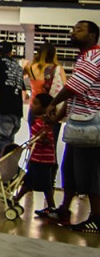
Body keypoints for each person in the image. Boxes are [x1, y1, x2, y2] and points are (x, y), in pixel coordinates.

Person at [41, 20, 100, 232]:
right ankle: (64, 210)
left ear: (93, 35)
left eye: (79, 29)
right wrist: (56, 117)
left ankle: (97, 218)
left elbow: (75, 87)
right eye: (73, 29)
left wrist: (52, 103)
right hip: (80, 124)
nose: (73, 32)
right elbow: (76, 96)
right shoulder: (84, 57)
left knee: (89, 172)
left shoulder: (95, 57)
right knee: (70, 169)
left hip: (91, 125)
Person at [12, 93, 58, 214]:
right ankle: (16, 199)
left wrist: (40, 139)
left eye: (36, 103)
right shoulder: (40, 122)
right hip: (37, 158)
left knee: (44, 184)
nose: (32, 105)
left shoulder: (44, 124)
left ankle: (52, 206)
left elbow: (47, 140)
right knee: (29, 180)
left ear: (44, 108)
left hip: (42, 160)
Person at [24, 42, 66, 126]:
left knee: (34, 137)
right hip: (51, 109)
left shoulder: (31, 67)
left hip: (35, 108)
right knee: (52, 137)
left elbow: (20, 78)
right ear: (53, 54)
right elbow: (65, 87)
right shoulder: (58, 69)